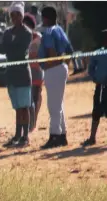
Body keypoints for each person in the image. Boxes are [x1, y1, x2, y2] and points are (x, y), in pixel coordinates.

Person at [38, 6, 74, 149]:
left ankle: (54, 135)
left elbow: (51, 51)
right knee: (58, 104)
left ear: (46, 18)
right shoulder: (60, 30)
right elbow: (69, 51)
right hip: (61, 69)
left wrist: (48, 65)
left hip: (53, 69)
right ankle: (62, 134)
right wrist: (62, 63)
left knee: (53, 105)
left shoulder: (49, 32)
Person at [0, 2, 33, 148]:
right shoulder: (7, 32)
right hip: (11, 74)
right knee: (17, 107)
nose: (15, 17)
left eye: (18, 14)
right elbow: (0, 49)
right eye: (12, 15)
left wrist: (9, 45)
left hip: (23, 73)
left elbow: (19, 51)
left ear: (22, 15)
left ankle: (25, 136)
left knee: (24, 106)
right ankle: (17, 135)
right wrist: (10, 45)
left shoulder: (27, 33)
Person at [82, 30, 107, 147]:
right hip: (100, 86)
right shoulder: (98, 53)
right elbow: (91, 68)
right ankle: (92, 137)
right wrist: (94, 77)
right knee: (96, 111)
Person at [24, 13, 44, 132]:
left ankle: (33, 122)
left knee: (36, 96)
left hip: (37, 70)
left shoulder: (38, 38)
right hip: (26, 71)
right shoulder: (23, 37)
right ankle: (28, 122)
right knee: (27, 98)